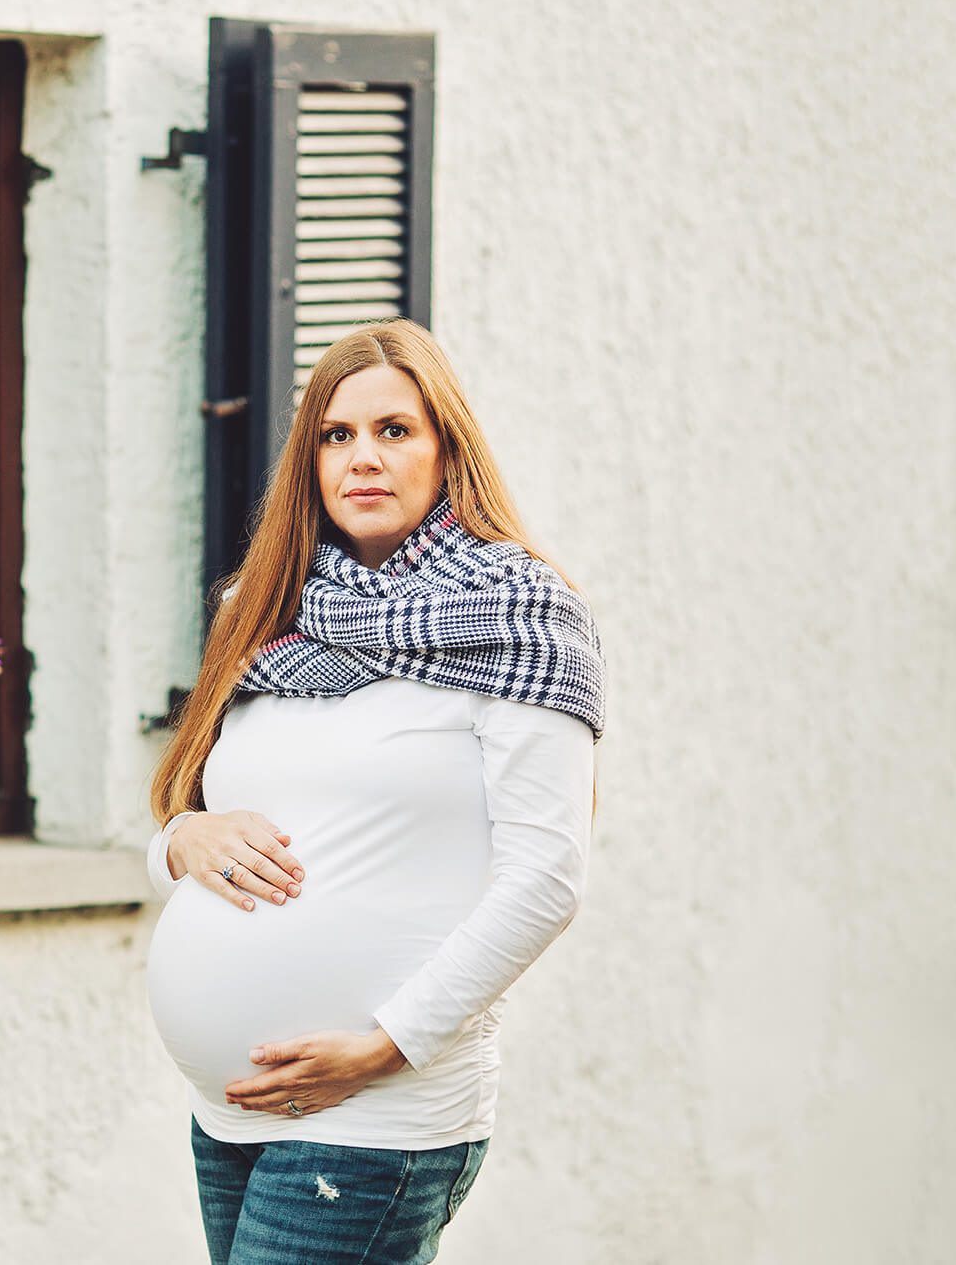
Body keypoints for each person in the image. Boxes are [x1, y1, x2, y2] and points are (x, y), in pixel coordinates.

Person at [142, 317, 605, 1264]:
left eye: (395, 430)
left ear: (448, 448)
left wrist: (387, 1046)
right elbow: (184, 823)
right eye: (336, 434)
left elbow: (546, 879)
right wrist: (180, 840)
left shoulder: (521, 614)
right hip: (229, 1112)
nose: (364, 457)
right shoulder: (262, 610)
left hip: (380, 1111)